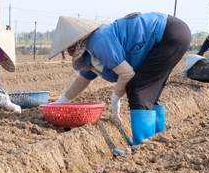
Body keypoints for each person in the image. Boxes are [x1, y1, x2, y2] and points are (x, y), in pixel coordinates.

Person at [49, 12, 191, 146]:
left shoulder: (98, 41)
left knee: (137, 88)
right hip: (175, 32)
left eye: (68, 48)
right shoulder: (89, 51)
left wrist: (115, 98)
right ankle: (156, 138)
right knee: (150, 92)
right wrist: (61, 102)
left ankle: (142, 145)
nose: (68, 52)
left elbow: (127, 74)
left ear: (75, 42)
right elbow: (83, 79)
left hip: (168, 33)